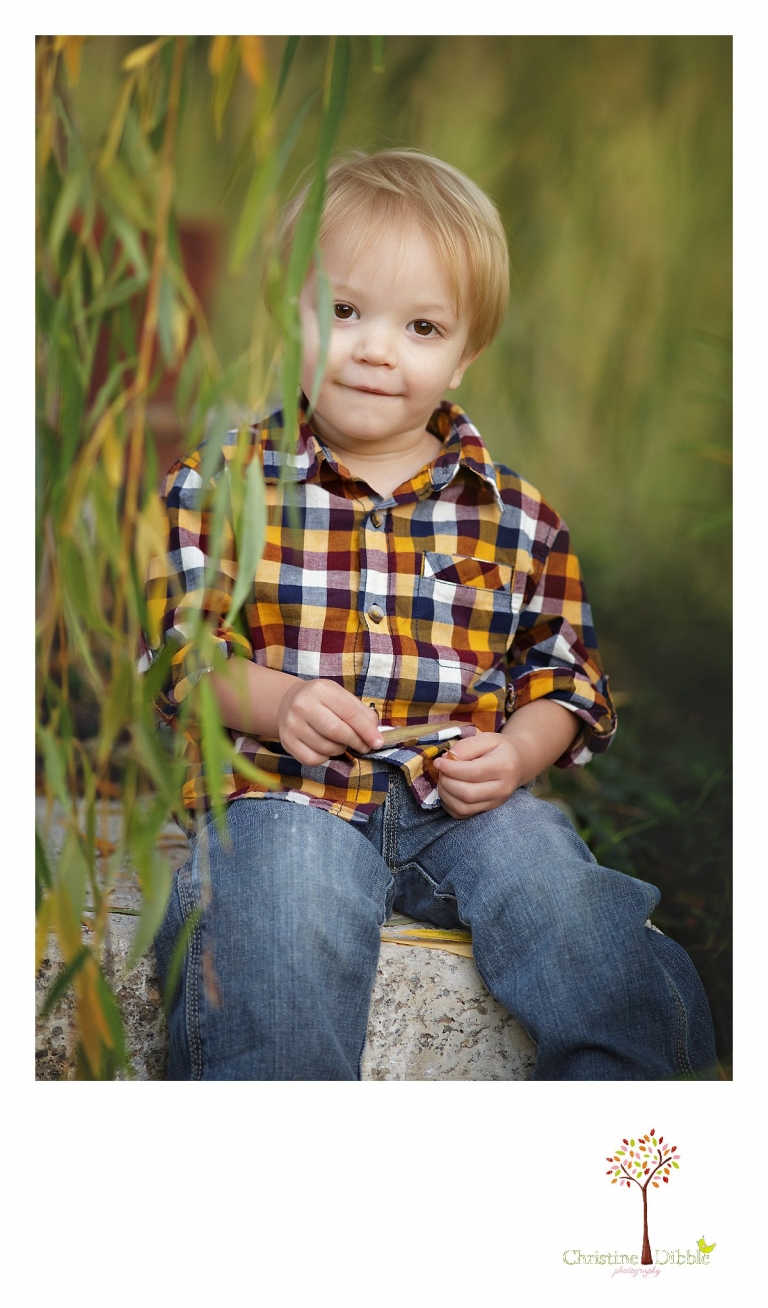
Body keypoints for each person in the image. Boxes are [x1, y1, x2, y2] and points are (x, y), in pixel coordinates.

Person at [142, 149, 717, 1080]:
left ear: (465, 351)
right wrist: (280, 700)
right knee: (277, 913)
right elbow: (178, 656)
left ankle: (629, 1113)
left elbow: (563, 675)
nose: (375, 348)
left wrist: (521, 753)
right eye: (342, 311)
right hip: (283, 796)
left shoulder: (518, 515)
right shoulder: (214, 489)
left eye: (420, 326)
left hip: (464, 803)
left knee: (562, 899)